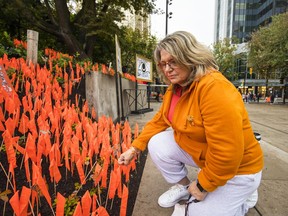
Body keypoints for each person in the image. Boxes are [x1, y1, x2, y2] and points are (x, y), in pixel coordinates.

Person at [118, 31, 264, 216]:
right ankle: (185, 188)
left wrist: (202, 185)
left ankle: (243, 198)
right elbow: (159, 120)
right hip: (209, 159)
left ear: (190, 57)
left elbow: (227, 154)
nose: (167, 69)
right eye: (163, 64)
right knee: (157, 142)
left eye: (173, 62)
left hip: (239, 169)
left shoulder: (214, 88)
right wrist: (134, 148)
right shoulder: (176, 88)